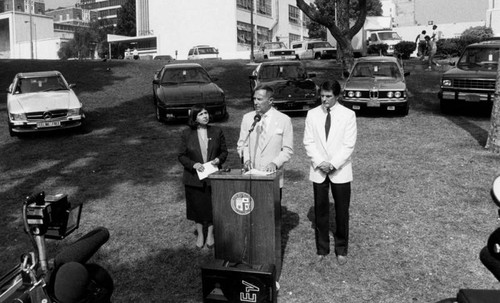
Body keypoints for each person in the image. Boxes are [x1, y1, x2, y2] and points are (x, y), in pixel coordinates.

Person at [303, 80, 357, 265]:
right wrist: (320, 162)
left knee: (342, 211)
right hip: (318, 170)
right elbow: (308, 142)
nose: (324, 100)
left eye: (328, 97)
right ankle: (322, 248)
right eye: (322, 96)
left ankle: (341, 248)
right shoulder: (312, 114)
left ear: (337, 96)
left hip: (340, 170)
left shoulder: (348, 115)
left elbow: (348, 144)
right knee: (321, 210)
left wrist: (332, 164)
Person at [178, 105, 228, 249]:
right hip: (194, 177)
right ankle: (200, 233)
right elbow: (181, 155)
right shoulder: (186, 133)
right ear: (194, 117)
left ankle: (210, 234)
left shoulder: (217, 131)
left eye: (206, 113)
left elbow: (224, 152)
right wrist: (193, 165)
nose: (205, 116)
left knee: (212, 206)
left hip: (213, 176)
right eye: (201, 114)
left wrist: (219, 160)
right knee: (197, 207)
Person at [237, 85, 293, 197]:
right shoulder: (248, 118)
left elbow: (287, 150)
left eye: (259, 99)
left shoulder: (284, 120)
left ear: (270, 100)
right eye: (254, 99)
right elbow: (243, 144)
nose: (255, 102)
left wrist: (275, 163)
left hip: (272, 176)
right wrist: (246, 160)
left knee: (272, 210)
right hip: (252, 175)